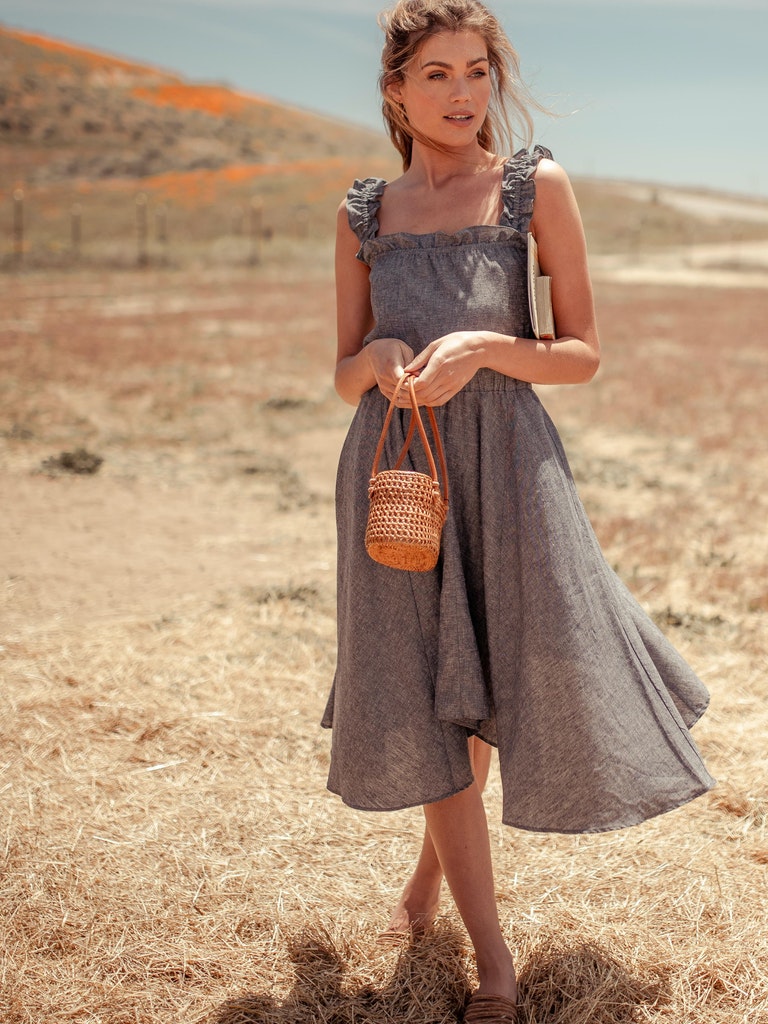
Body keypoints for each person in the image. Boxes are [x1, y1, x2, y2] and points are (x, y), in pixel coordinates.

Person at [321, 2, 715, 1020]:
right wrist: (371, 361)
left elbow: (581, 352)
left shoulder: (534, 188)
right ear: (396, 91)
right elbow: (338, 369)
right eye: (439, 76)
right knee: (427, 690)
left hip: (510, 461)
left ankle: (426, 884)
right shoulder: (363, 213)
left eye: (478, 71)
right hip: (399, 473)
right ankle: (491, 958)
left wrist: (487, 348)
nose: (463, 95)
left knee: (489, 673)